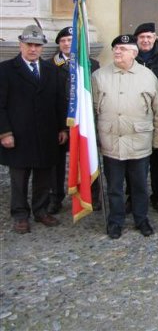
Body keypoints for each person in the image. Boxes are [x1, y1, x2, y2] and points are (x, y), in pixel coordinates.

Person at [92, 34, 158, 239]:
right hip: (111, 142)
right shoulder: (99, 76)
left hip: (139, 141)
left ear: (134, 53)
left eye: (123, 49)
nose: (117, 51)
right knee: (114, 187)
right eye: (115, 48)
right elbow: (93, 107)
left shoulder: (147, 76)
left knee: (140, 185)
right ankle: (115, 221)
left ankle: (141, 219)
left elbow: (157, 110)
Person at [0, 25, 67, 234]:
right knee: (19, 177)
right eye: (29, 44)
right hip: (18, 135)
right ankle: (20, 214)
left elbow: (58, 102)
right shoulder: (6, 69)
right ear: (21, 45)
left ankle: (40, 210)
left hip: (46, 134)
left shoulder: (50, 70)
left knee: (43, 176)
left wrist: (62, 128)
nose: (33, 49)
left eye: (37, 45)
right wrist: (5, 132)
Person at [47, 26, 101, 215]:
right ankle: (55, 197)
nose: (67, 43)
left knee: (87, 157)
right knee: (57, 162)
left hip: (84, 121)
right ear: (58, 44)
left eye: (70, 40)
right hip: (60, 121)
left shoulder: (91, 64)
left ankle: (92, 194)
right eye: (63, 41)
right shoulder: (50, 65)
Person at [134, 22, 158, 215]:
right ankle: (132, 197)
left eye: (149, 37)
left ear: (155, 38)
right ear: (137, 40)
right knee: (134, 162)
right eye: (142, 38)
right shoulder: (131, 58)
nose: (146, 41)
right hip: (135, 117)